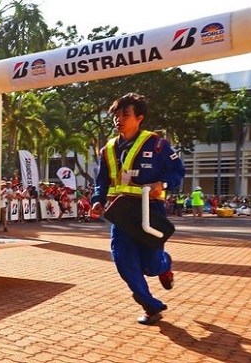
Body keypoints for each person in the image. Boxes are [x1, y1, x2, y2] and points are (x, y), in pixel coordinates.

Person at [90, 92, 185, 326]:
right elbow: (102, 180)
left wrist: (161, 184)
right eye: (116, 114)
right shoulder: (107, 150)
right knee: (123, 261)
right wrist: (97, 199)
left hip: (150, 211)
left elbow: (177, 172)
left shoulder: (158, 144)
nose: (118, 119)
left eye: (125, 114)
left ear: (139, 117)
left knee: (151, 266)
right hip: (121, 214)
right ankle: (150, 306)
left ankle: (165, 264)